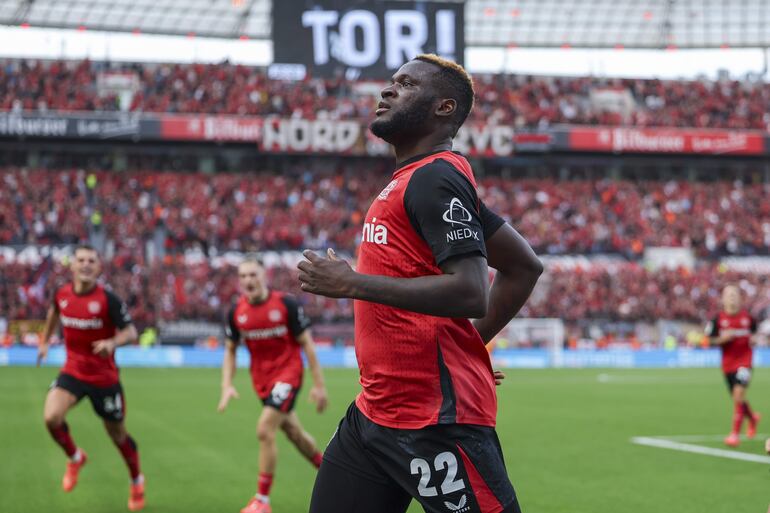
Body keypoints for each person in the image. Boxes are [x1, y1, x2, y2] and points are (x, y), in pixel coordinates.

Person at [299, 54, 543, 513]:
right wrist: (466, 348)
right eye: (391, 81)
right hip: (374, 416)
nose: (388, 90)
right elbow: (525, 266)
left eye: (406, 84)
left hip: (434, 423)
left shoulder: (436, 177)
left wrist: (353, 283)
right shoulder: (418, 178)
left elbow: (472, 290)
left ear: (443, 108)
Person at [37, 244, 144, 510]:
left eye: (91, 261)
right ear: (72, 266)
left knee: (117, 435)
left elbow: (131, 332)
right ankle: (75, 457)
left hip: (104, 379)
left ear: (98, 267)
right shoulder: (62, 294)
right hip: (73, 372)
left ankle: (136, 480)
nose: (86, 264)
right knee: (51, 417)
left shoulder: (108, 300)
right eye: (81, 260)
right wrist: (44, 341)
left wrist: (112, 342)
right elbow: (53, 313)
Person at [219, 256, 329, 513]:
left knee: (264, 429)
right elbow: (230, 350)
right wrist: (226, 385)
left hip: (289, 375)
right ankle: (334, 474)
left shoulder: (285, 304)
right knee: (295, 434)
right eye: (244, 276)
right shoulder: (236, 313)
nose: (249, 280)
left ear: (264, 275)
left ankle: (262, 501)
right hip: (263, 382)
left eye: (253, 274)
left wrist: (319, 385)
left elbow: (308, 346)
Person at [705, 285, 760, 447]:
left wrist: (755, 339)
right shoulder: (717, 320)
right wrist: (721, 340)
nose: (732, 298)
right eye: (728, 295)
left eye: (735, 295)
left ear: (740, 298)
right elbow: (708, 340)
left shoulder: (748, 318)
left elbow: (755, 333)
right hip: (728, 365)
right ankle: (752, 417)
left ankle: (734, 434)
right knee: (738, 398)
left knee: (738, 394)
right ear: (722, 299)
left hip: (745, 362)